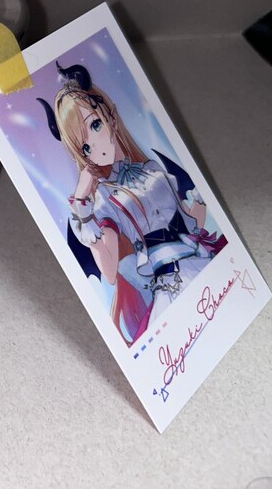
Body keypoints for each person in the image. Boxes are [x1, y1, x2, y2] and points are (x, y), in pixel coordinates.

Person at [38, 62, 225, 346]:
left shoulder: (152, 168)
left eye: (96, 125)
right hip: (170, 278)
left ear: (111, 117)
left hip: (200, 255)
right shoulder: (104, 198)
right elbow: (109, 271)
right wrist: (82, 206)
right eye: (85, 147)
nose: (97, 146)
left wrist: (200, 198)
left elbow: (191, 221)